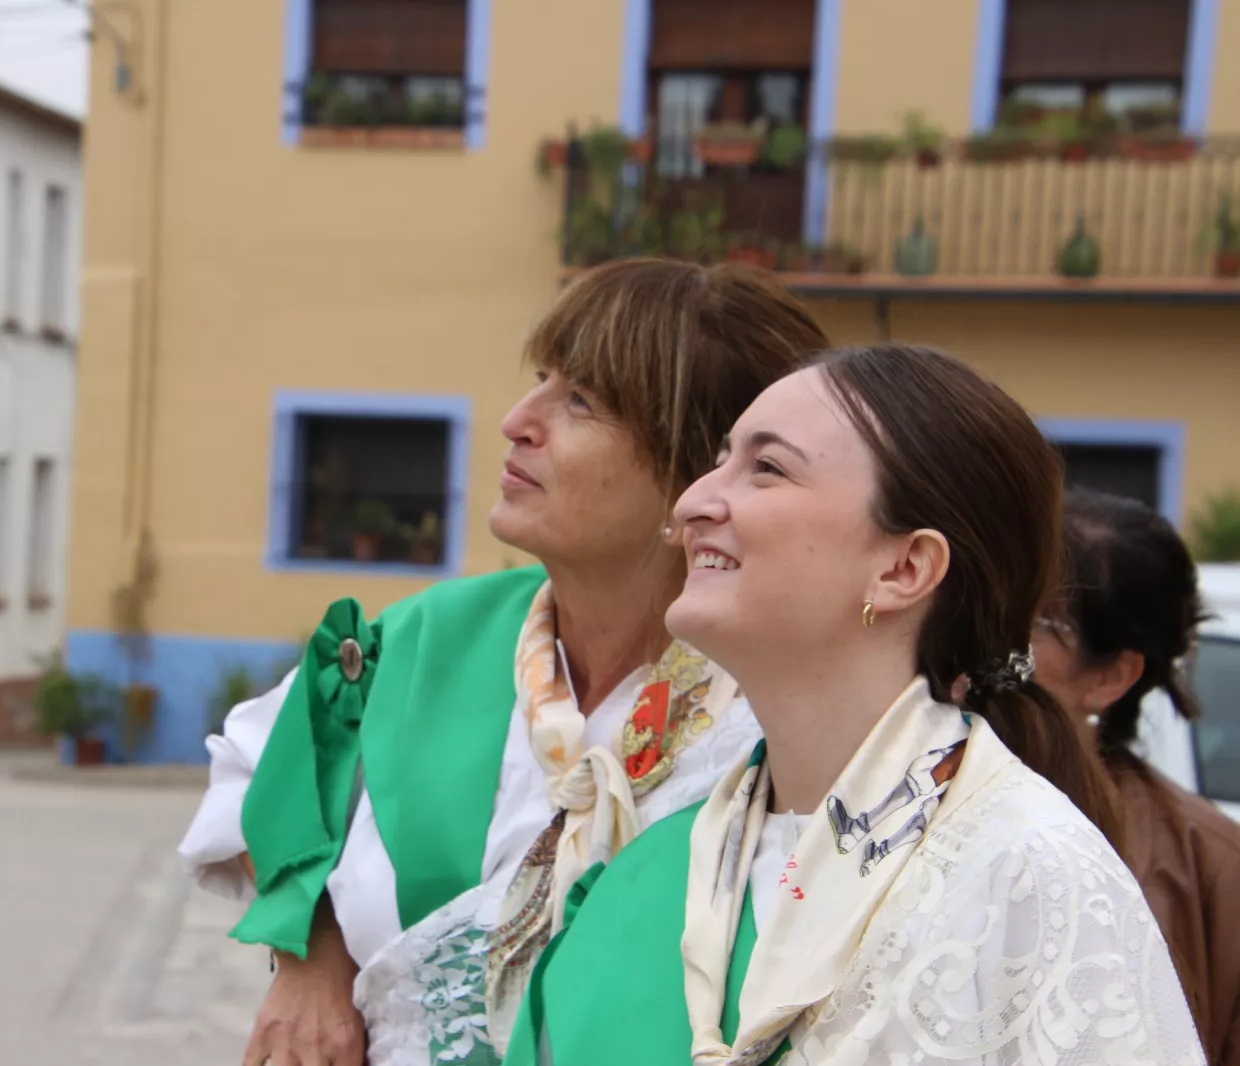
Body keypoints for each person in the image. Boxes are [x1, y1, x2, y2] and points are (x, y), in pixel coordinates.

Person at [177, 259, 831, 1066]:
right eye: (543, 379)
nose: (519, 419)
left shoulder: (779, 716)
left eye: (582, 402)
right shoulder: (425, 641)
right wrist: (313, 954)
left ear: (696, 472)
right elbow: (252, 780)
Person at [508, 344, 1202, 1065]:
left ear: (903, 568)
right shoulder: (646, 871)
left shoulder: (1027, 874)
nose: (694, 501)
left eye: (767, 468)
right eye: (720, 460)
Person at [1032, 487, 1240, 1066]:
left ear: (1111, 676)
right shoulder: (901, 789)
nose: (999, 633)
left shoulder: (1212, 866)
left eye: (1042, 620)